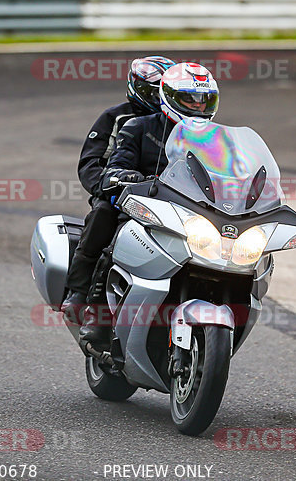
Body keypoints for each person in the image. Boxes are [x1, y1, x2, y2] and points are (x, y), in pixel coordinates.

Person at [79, 62, 220, 346]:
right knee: (112, 227)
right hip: (141, 200)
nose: (197, 105)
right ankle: (95, 310)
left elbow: (231, 172)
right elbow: (109, 163)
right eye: (189, 99)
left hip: (189, 208)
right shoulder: (133, 124)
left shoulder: (215, 138)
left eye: (204, 100)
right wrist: (120, 177)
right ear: (167, 96)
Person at [61, 56, 176, 324]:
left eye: (163, 92)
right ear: (138, 88)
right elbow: (89, 162)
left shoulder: (181, 124)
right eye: (153, 91)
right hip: (120, 190)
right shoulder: (116, 117)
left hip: (170, 196)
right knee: (103, 213)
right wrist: (107, 184)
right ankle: (79, 291)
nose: (159, 98)